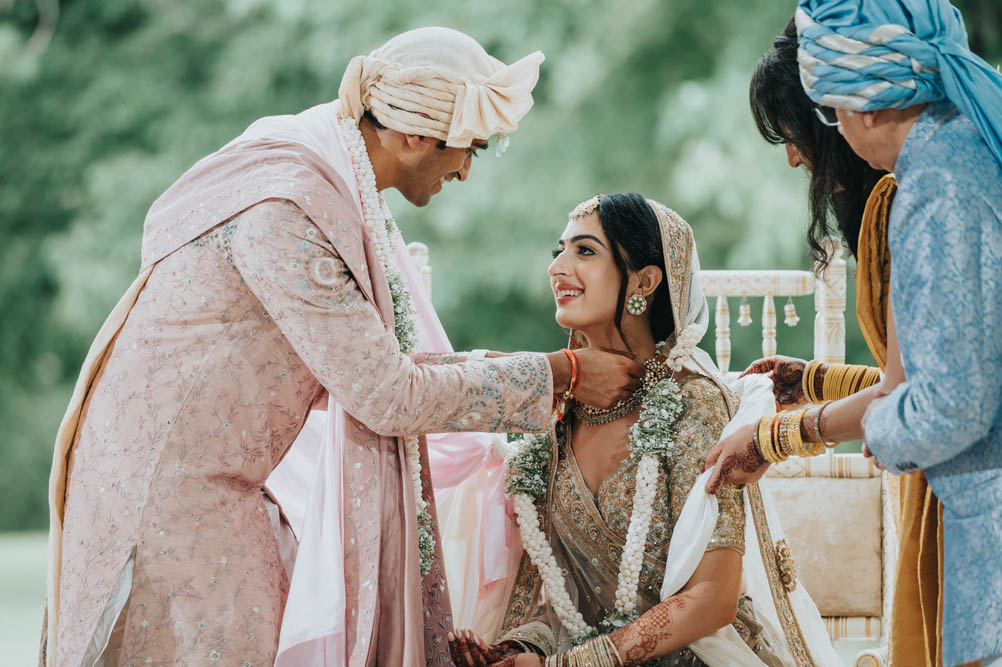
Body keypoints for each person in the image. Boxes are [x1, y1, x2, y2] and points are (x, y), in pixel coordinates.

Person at [41, 28, 645, 666]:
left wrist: (503, 367)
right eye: (469, 147)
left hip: (207, 478)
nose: (466, 170)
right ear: (413, 136)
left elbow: (367, 365)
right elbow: (385, 392)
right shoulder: (289, 206)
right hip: (168, 490)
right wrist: (561, 372)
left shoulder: (326, 177)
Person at [715, 2, 1002, 665]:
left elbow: (945, 406)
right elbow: (944, 370)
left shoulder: (934, 191)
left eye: (823, 115)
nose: (803, 151)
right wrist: (819, 385)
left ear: (866, 105)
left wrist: (789, 435)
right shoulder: (963, 153)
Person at [445, 193, 841, 666]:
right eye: (559, 251)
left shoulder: (695, 402)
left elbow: (714, 598)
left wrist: (569, 665)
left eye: (585, 251)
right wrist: (520, 650)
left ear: (645, 280)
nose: (557, 268)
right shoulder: (559, 412)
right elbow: (555, 598)